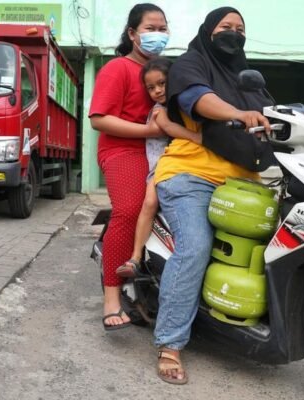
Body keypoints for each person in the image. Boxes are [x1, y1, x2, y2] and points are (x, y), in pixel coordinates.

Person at [151, 7, 275, 384]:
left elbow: (274, 112)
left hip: (243, 181)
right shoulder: (191, 63)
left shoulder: (249, 78)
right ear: (208, 31)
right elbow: (197, 98)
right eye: (225, 27)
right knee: (196, 246)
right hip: (191, 176)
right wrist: (237, 112)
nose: (233, 34)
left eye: (240, 29)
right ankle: (169, 343)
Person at [88, 3, 169, 331]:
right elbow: (99, 120)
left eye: (163, 29)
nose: (158, 35)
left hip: (160, 149)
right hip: (123, 149)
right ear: (133, 34)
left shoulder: (164, 73)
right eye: (151, 28)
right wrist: (149, 131)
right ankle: (111, 297)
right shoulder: (117, 69)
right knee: (131, 208)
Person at [116, 57, 201, 278]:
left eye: (162, 83)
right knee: (150, 202)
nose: (157, 91)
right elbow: (167, 127)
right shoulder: (158, 111)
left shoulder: (185, 105)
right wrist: (197, 138)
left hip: (186, 165)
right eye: (151, 87)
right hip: (162, 166)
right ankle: (135, 257)